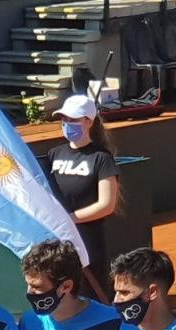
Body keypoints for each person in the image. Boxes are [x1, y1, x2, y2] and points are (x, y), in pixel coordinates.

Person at [45, 95, 120, 301]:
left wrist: (70, 218)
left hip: (88, 244)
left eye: (74, 120)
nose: (68, 124)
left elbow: (106, 205)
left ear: (89, 121)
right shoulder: (54, 154)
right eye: (64, 120)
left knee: (91, 299)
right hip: (57, 243)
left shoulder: (101, 158)